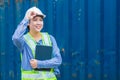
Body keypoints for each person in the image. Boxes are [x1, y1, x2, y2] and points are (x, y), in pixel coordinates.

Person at [12, 6, 62, 80]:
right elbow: (16, 38)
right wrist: (26, 19)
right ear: (28, 23)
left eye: (41, 20)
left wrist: (39, 64)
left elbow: (58, 60)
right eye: (35, 20)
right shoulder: (23, 41)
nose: (39, 23)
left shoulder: (50, 38)